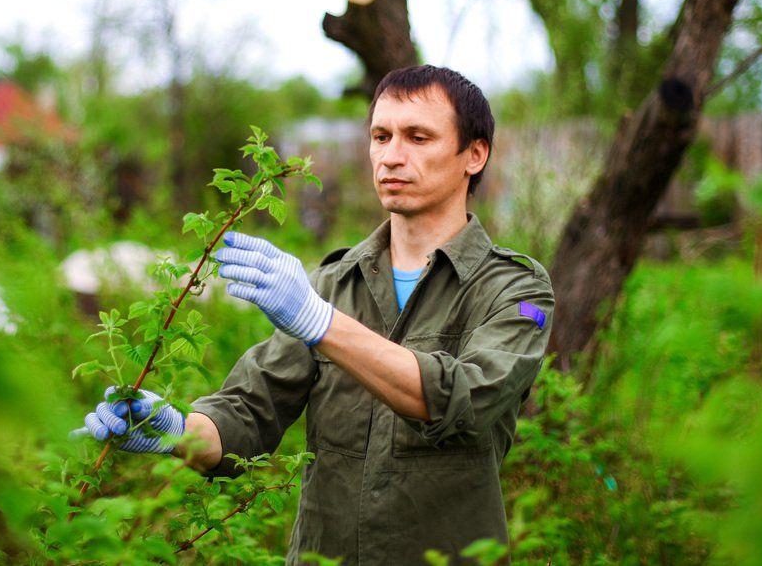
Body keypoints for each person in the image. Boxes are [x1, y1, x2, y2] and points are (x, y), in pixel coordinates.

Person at [83, 65, 555, 564]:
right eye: (381, 136)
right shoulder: (333, 283)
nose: (392, 156)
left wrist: (321, 324)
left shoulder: (515, 288)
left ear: (474, 155)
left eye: (419, 137)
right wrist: (174, 430)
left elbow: (469, 399)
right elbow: (249, 413)